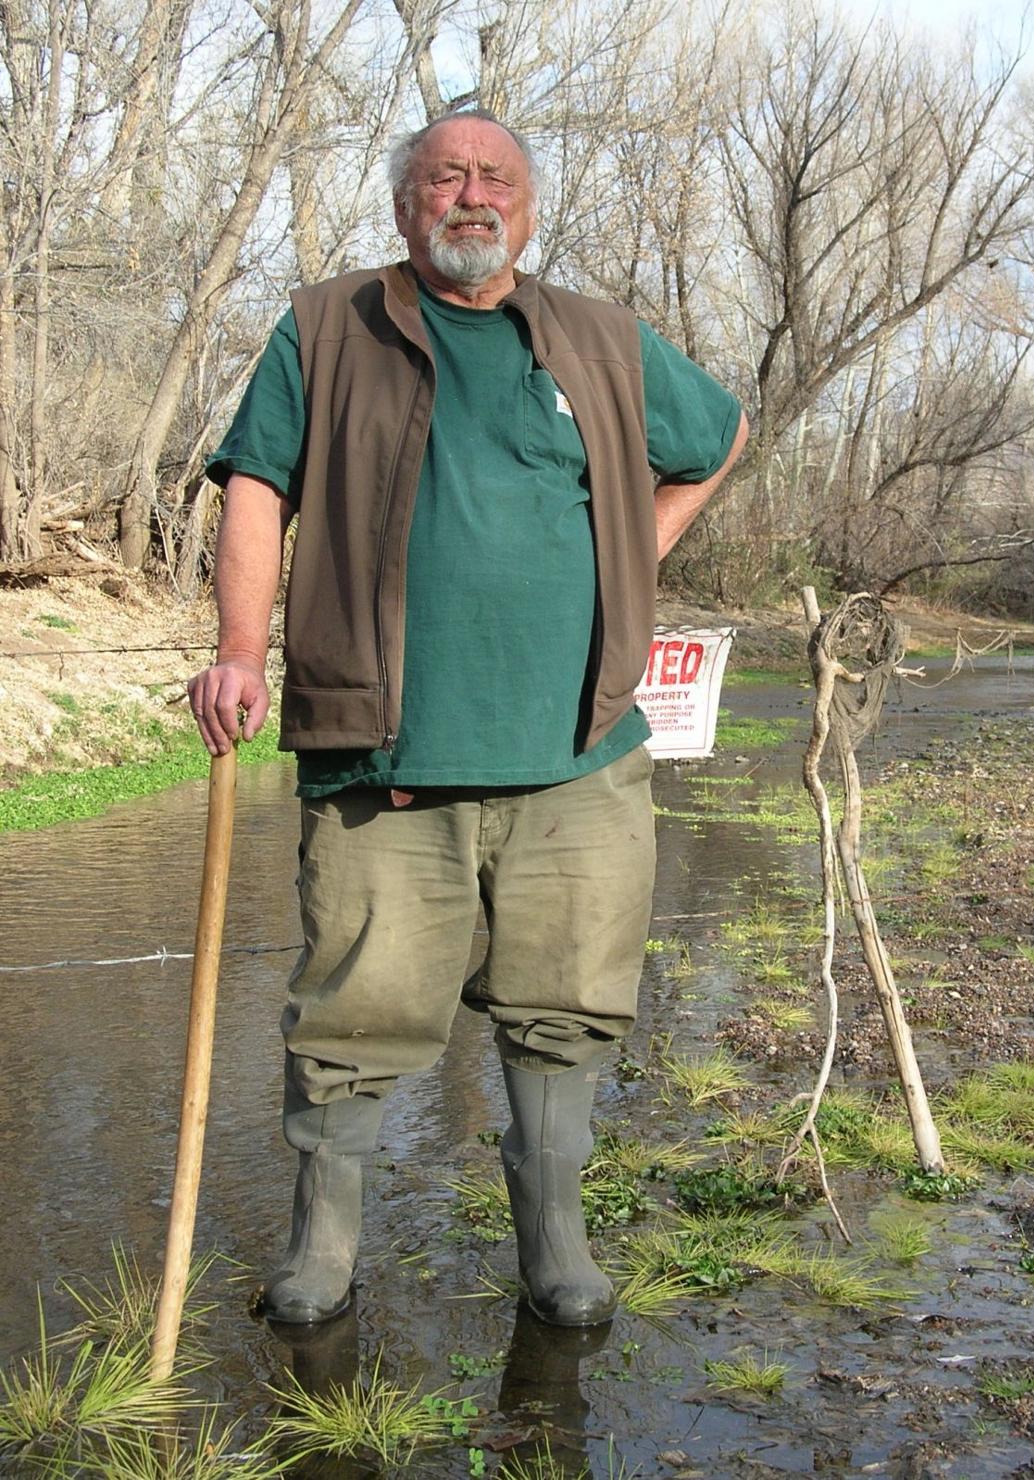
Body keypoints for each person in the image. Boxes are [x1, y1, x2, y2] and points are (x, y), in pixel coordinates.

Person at [188, 109, 747, 1329]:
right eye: (445, 176)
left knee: (567, 1001)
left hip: (578, 758)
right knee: (353, 1009)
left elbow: (720, 434)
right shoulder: (329, 327)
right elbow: (254, 486)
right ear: (406, 205)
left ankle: (555, 1242)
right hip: (382, 756)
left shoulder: (600, 341)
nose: (471, 196)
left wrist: (637, 555)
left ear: (530, 209)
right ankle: (323, 1249)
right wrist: (238, 649)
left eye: (497, 178)